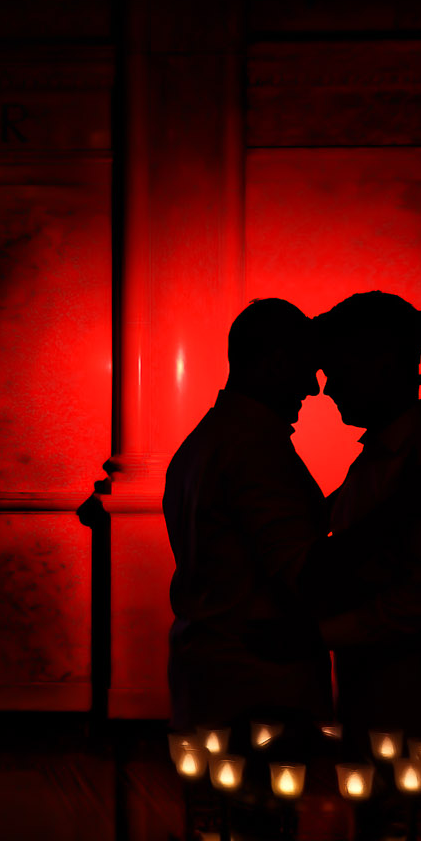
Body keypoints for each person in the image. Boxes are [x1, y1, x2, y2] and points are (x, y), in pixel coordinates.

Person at [309, 292, 421, 756]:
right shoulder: (390, 458)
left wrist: (313, 634)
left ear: (382, 366)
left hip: (418, 689)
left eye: (338, 371)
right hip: (388, 683)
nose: (327, 389)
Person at [161, 299, 333, 733]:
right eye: (306, 369)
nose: (313, 389)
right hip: (262, 685)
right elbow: (299, 567)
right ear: (275, 363)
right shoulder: (257, 450)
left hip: (208, 673)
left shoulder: (203, 443)